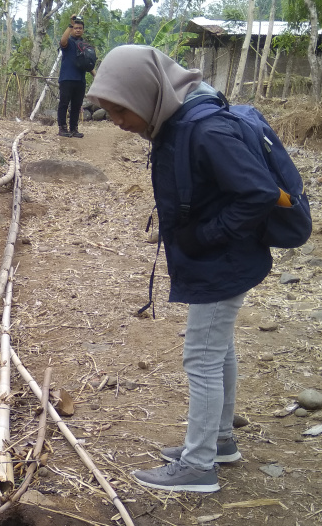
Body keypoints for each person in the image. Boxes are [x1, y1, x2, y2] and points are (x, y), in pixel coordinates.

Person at [87, 45, 281, 493]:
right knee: (219, 349)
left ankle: (198, 466)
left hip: (223, 259)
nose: (118, 122)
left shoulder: (206, 128)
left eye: (121, 110)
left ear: (147, 93)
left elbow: (258, 193)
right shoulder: (178, 119)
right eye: (111, 112)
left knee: (202, 357)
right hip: (222, 256)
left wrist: (204, 236)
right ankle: (220, 441)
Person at [57, 16, 92, 138]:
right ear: (72, 29)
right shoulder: (69, 43)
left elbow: (89, 64)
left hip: (80, 80)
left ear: (83, 30)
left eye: (80, 28)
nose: (77, 30)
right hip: (67, 78)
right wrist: (70, 25)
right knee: (64, 103)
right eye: (76, 28)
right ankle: (62, 128)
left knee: (76, 105)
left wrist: (97, 77)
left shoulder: (84, 45)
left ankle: (73, 129)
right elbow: (62, 41)